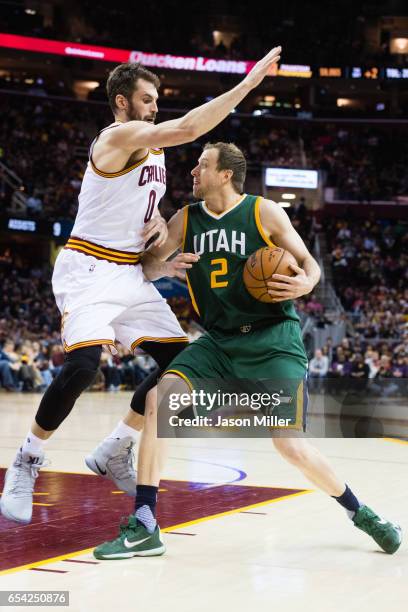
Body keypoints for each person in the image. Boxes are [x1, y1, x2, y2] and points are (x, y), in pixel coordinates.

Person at [0, 46, 283, 525]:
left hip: (129, 272)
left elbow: (142, 236)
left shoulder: (150, 153)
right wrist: (249, 83)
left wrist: (158, 251)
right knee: (84, 364)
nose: (155, 106)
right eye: (147, 99)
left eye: (157, 99)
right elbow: (189, 128)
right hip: (88, 268)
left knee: (183, 366)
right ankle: (26, 460)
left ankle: (116, 447)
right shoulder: (118, 136)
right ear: (122, 103)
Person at [93, 142, 401, 559]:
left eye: (202, 165)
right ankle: (146, 523)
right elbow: (146, 266)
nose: (193, 172)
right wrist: (164, 265)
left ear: (225, 174)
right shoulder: (185, 219)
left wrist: (307, 283)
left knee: (288, 445)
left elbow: (310, 265)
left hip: (274, 340)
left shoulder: (264, 212)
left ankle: (361, 513)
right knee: (158, 399)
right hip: (219, 340)